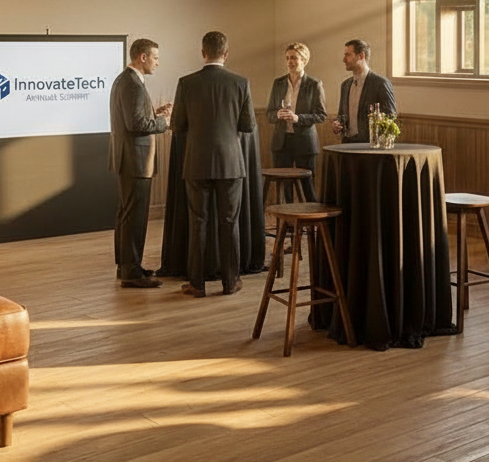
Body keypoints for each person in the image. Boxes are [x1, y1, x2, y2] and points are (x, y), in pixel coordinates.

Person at [171, 31, 257, 297]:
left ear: (202, 52)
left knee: (198, 223)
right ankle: (230, 282)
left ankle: (197, 284)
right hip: (231, 163)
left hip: (196, 162)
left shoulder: (186, 83)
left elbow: (177, 125)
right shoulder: (240, 83)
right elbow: (249, 125)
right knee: (229, 222)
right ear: (226, 53)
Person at [108, 38, 171, 288]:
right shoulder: (132, 84)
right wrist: (163, 122)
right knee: (134, 217)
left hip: (129, 158)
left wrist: (154, 113)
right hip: (136, 160)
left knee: (126, 214)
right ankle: (131, 272)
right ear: (142, 57)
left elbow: (132, 118)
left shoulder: (124, 80)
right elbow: (136, 125)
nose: (158, 62)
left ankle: (126, 267)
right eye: (155, 57)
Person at [266, 42, 326, 202]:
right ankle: (287, 225)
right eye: (287, 58)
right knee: (285, 187)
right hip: (281, 142)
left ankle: (312, 224)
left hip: (305, 143)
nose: (289, 62)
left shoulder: (314, 84)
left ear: (304, 60)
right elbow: (269, 114)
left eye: (294, 58)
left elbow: (321, 115)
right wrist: (277, 114)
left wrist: (297, 118)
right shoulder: (278, 83)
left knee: (307, 186)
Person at [332, 39, 396, 143]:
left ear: (361, 56)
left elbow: (390, 116)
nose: (344, 59)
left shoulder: (380, 83)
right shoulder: (345, 85)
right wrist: (337, 124)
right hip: (347, 145)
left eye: (348, 55)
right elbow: (341, 115)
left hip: (370, 147)